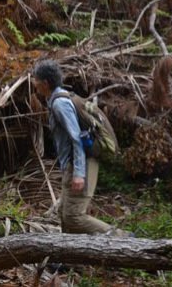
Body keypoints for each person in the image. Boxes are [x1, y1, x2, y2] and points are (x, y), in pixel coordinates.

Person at [32, 59, 127, 235]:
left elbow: (76, 138)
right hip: (74, 164)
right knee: (64, 215)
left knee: (74, 216)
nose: (34, 86)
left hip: (82, 164)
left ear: (45, 83)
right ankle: (69, 258)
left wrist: (78, 173)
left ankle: (125, 239)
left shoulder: (60, 104)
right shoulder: (59, 98)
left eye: (36, 82)